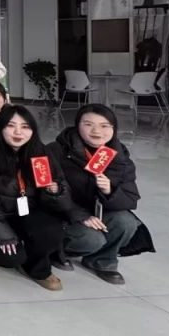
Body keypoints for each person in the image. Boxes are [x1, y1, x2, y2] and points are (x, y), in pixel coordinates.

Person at [0, 106, 73, 291]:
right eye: (11, 125)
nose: (18, 132)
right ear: (0, 127)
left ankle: (37, 268)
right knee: (9, 257)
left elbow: (62, 191)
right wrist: (3, 237)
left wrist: (56, 191)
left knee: (51, 233)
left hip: (27, 209)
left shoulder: (41, 151)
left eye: (25, 126)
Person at [48, 104, 149, 284]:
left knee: (126, 222)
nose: (96, 131)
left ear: (113, 128)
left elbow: (130, 198)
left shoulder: (119, 156)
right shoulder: (57, 150)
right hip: (64, 214)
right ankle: (56, 251)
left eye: (104, 126)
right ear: (77, 125)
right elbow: (44, 193)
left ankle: (102, 261)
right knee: (91, 239)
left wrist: (109, 191)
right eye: (88, 124)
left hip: (98, 212)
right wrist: (79, 215)